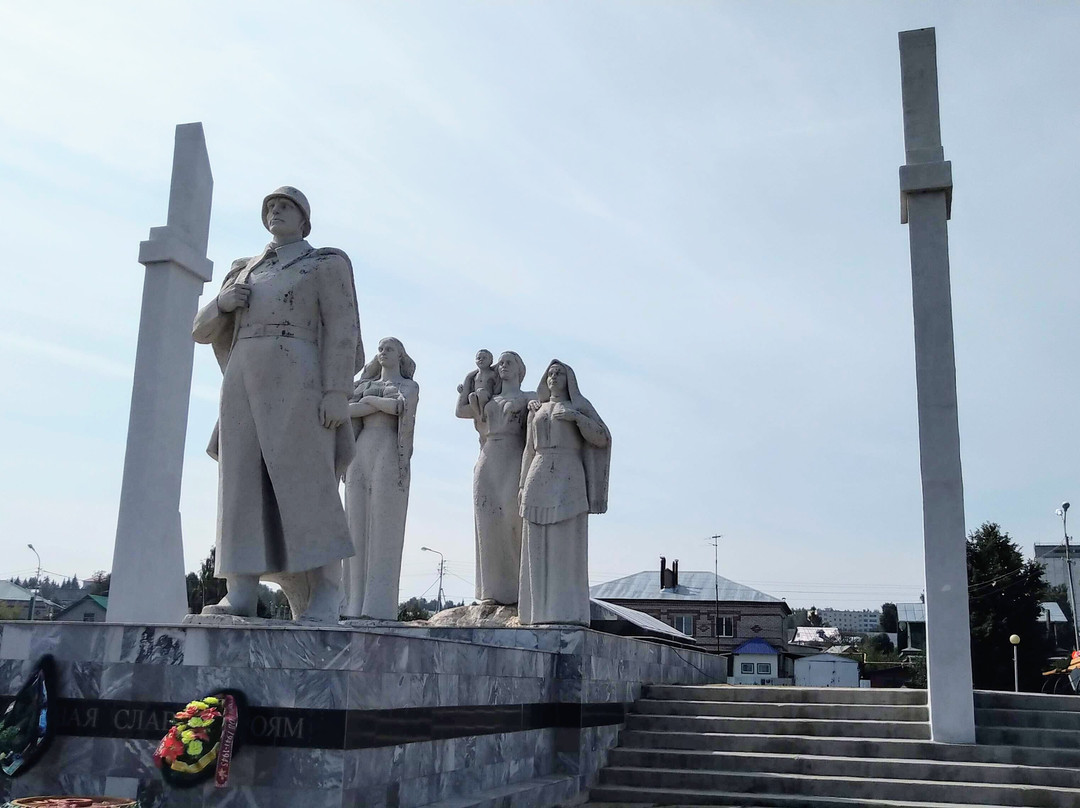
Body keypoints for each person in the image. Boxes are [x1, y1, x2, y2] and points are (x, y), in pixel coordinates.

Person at [192, 186, 362, 621]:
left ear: (304, 219)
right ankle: (241, 591)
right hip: (242, 375)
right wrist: (221, 304)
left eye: (286, 206)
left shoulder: (324, 262)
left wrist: (337, 391)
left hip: (298, 371)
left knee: (309, 482)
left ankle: (327, 591)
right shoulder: (245, 269)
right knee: (240, 484)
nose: (276, 212)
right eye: (270, 207)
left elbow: (342, 326)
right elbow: (200, 331)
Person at [518, 360, 610, 626]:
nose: (554, 377)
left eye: (559, 373)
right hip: (539, 470)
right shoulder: (537, 409)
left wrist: (577, 419)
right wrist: (522, 484)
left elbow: (602, 437)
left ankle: (565, 610)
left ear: (569, 379)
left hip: (569, 473)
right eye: (551, 373)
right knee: (536, 541)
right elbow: (528, 449)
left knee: (565, 542)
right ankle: (536, 611)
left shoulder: (578, 406)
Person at [343, 337, 419, 619]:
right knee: (356, 523)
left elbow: (401, 408)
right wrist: (379, 402)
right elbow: (348, 410)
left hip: (388, 450)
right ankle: (353, 602)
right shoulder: (363, 384)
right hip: (361, 449)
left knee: (383, 524)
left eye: (389, 349)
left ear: (400, 355)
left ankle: (378, 604)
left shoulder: (409, 385)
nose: (383, 352)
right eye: (380, 349)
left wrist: (370, 401)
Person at [455, 351, 534, 605]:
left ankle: (519, 590)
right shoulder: (489, 398)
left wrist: (536, 407)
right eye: (501, 363)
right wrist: (468, 383)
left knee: (513, 519)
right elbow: (460, 412)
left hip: (514, 457)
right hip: (487, 459)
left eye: (509, 362)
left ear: (520, 369)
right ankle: (491, 590)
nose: (503, 366)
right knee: (487, 523)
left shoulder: (528, 397)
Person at [456, 349, 501, 423]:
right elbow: (470, 388)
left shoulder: (492, 374)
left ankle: (483, 412)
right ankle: (479, 414)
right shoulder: (474, 376)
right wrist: (460, 389)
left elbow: (497, 385)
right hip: (476, 397)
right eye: (478, 358)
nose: (481, 360)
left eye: (484, 358)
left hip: (486, 395)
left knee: (481, 392)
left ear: (490, 361)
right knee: (471, 395)